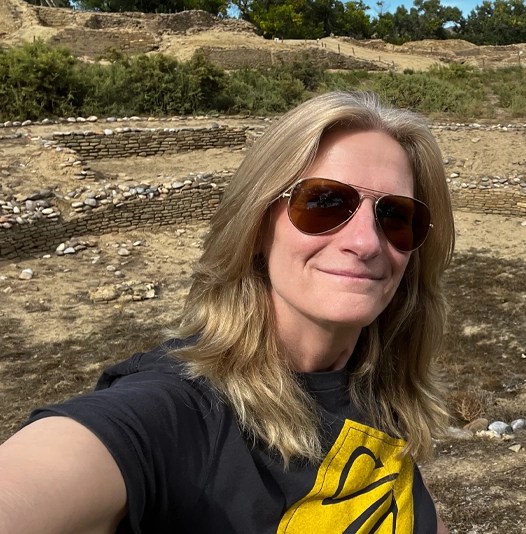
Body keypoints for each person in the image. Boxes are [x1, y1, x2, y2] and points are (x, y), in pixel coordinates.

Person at [0, 91, 455, 533]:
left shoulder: (379, 388)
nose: (366, 242)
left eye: (396, 216)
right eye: (324, 202)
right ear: (256, 225)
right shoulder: (177, 413)